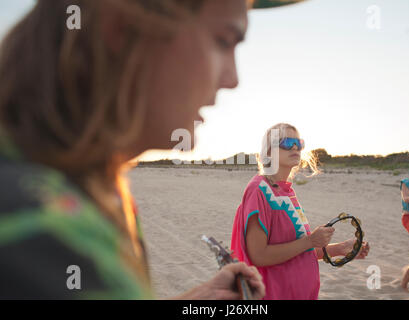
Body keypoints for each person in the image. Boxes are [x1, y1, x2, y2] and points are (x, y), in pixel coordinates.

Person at [0, 0, 311, 299]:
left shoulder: (81, 188)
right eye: (223, 41)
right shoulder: (43, 230)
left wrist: (201, 296)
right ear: (123, 26)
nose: (232, 79)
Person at [230, 123, 370, 300]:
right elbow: (259, 255)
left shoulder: (287, 191)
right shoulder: (259, 190)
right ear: (268, 152)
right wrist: (310, 240)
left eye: (299, 142)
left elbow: (299, 250)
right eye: (286, 142)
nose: (295, 147)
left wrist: (340, 249)